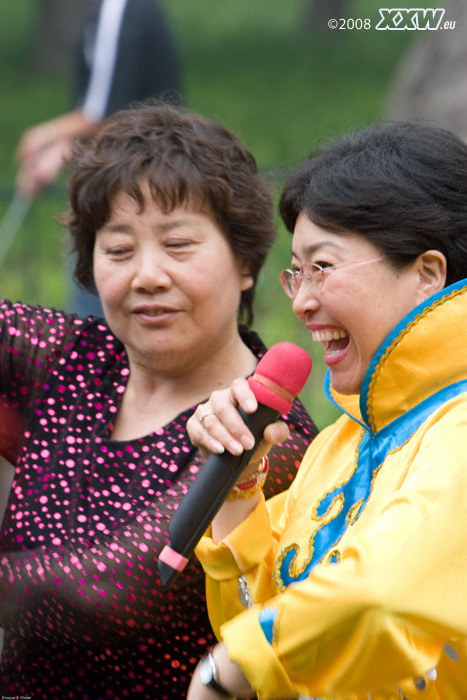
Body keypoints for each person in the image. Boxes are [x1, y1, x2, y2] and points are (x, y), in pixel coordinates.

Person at [0, 101, 317, 699]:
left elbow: (117, 592)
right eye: (119, 251)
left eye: (178, 246)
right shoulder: (66, 357)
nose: (147, 275)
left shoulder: (266, 439)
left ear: (245, 262)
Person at [186, 121, 467, 700]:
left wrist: (230, 667)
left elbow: (382, 596)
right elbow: (274, 633)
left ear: (427, 274)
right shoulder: (338, 445)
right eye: (296, 273)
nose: (303, 301)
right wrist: (238, 492)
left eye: (323, 267)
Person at [15, 0, 181, 316]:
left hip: (122, 191)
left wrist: (41, 137)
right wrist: (63, 148)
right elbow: (126, 106)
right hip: (150, 178)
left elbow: (103, 111)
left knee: (98, 328)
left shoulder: (118, 8)